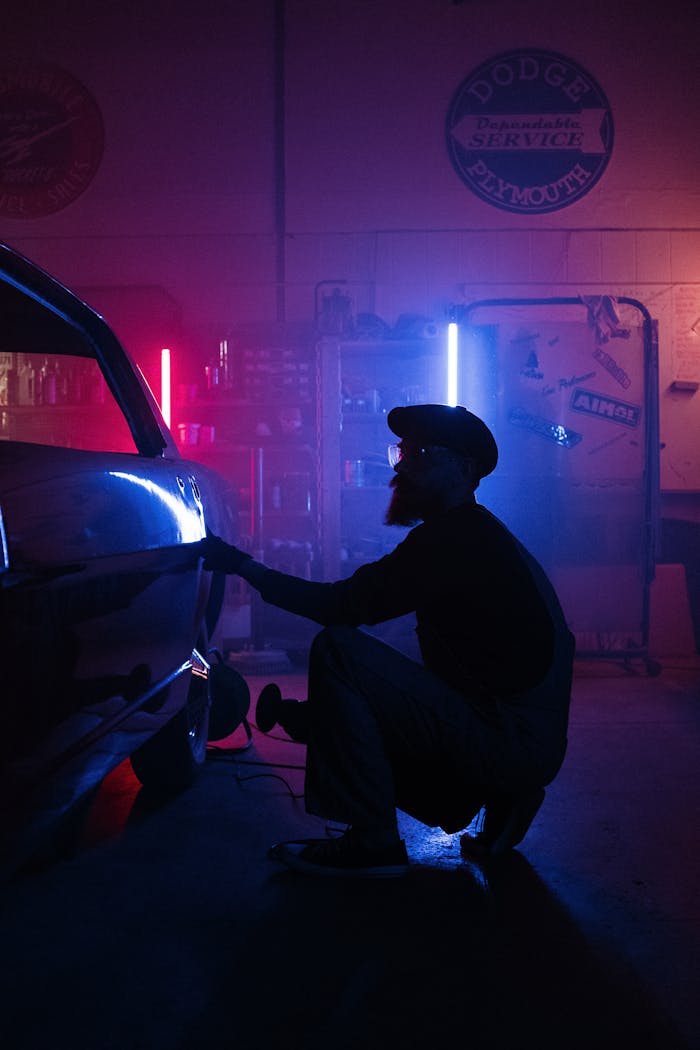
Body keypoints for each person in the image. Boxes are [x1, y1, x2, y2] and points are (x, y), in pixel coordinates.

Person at [199, 404, 575, 879]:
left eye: (419, 453)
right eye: (402, 451)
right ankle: (507, 795)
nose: (403, 467)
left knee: (338, 651)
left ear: (462, 470)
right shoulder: (477, 535)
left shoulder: (453, 540)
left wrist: (242, 566)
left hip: (510, 741)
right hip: (519, 739)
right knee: (353, 685)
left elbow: (340, 608)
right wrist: (328, 720)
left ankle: (372, 842)